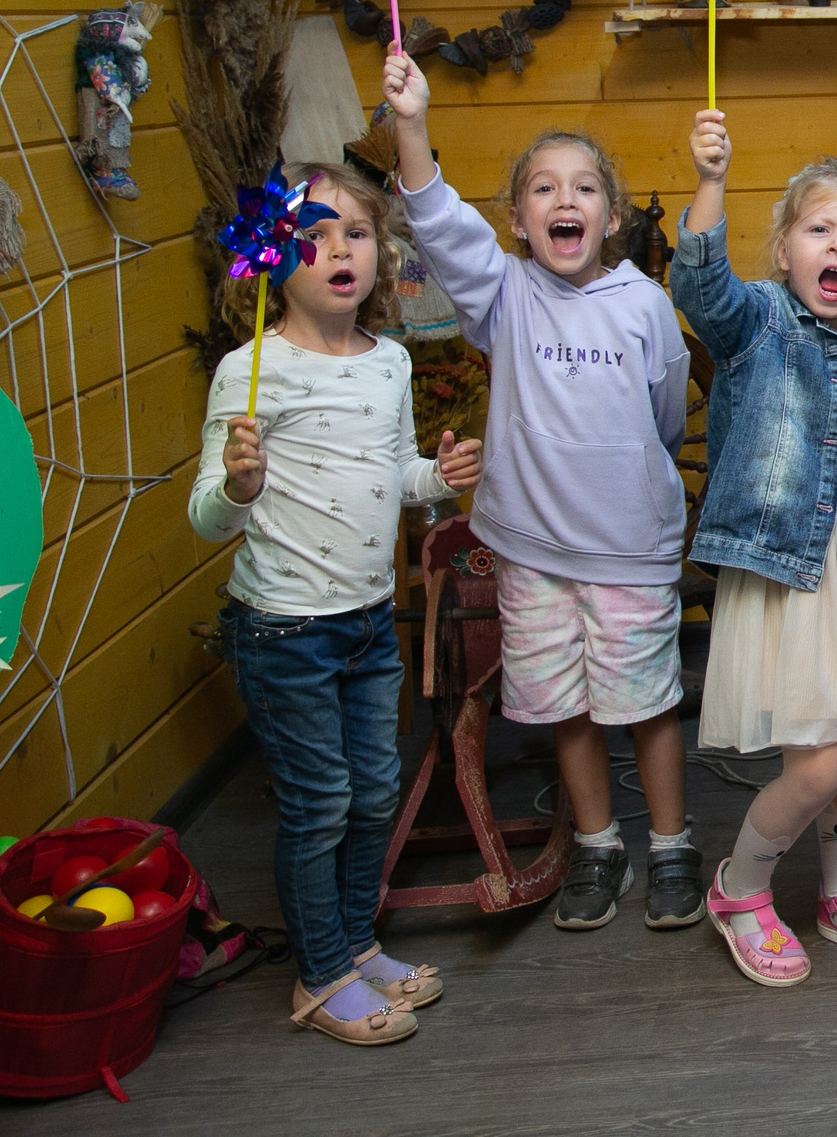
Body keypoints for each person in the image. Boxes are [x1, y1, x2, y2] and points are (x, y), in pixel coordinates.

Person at [383, 54, 696, 932]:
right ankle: (598, 843)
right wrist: (412, 125)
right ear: (518, 221)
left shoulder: (642, 305)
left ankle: (671, 843)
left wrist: (633, 478)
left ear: (612, 215)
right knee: (564, 704)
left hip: (626, 547)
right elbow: (440, 227)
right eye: (545, 188)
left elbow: (666, 415)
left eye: (585, 186)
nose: (566, 199)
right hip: (530, 549)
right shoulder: (503, 297)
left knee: (646, 700)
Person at [190, 163, 481, 1046]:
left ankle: (355, 944)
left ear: (380, 251)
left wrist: (439, 474)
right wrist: (239, 485)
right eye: (312, 236)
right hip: (283, 628)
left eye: (355, 232)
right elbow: (207, 516)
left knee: (373, 792)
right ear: (275, 258)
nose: (337, 250)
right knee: (318, 803)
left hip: (364, 622)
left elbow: (395, 476)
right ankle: (318, 976)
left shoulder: (390, 362)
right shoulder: (250, 371)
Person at [669, 112, 837, 987]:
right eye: (820, 228)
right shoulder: (757, 324)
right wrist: (711, 178)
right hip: (792, 564)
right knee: (819, 758)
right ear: (785, 248)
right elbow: (699, 285)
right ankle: (741, 888)